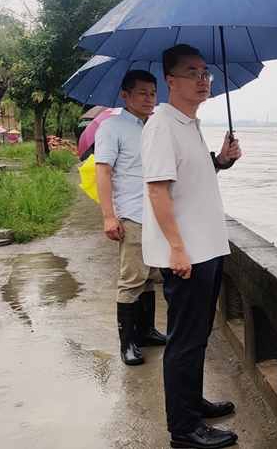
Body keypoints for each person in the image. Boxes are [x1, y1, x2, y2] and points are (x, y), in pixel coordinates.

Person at [141, 44, 241, 449]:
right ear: (170, 80)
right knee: (184, 340)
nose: (203, 80)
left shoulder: (187, 123)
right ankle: (184, 429)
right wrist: (177, 249)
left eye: (205, 73)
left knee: (196, 337)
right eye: (192, 73)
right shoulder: (163, 124)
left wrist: (221, 160)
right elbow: (157, 191)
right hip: (189, 253)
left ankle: (191, 402)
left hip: (206, 246)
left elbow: (191, 177)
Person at [94, 70, 168, 366]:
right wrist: (109, 216)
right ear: (125, 95)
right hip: (132, 214)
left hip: (157, 214)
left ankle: (146, 331)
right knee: (132, 277)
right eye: (142, 93)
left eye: (152, 92)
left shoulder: (154, 126)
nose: (149, 98)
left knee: (150, 276)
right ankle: (127, 343)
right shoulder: (113, 127)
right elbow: (103, 172)